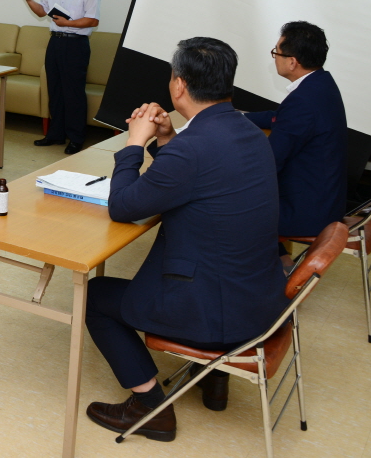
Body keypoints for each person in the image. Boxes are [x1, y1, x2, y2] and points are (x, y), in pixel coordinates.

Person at [84, 37, 285, 441]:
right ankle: (213, 381)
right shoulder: (247, 130)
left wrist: (134, 144)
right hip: (258, 299)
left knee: (94, 297)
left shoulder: (195, 149)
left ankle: (149, 407)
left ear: (178, 85)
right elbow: (194, 178)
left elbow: (123, 206)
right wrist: (166, 136)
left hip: (213, 308)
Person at [245, 21, 347, 270]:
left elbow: (269, 161)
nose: (275, 58)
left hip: (306, 211)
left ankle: (271, 272)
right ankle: (281, 262)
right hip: (323, 199)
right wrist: (240, 115)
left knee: (229, 201)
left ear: (292, 62)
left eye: (276, 52)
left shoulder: (303, 101)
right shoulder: (321, 85)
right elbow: (280, 117)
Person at [19, 0, 101, 154]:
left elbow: (93, 20)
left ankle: (75, 138)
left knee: (73, 93)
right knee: (54, 90)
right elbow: (42, 11)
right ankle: (55, 134)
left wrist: (69, 23)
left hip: (76, 45)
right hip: (55, 43)